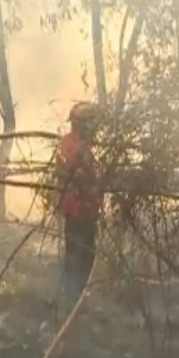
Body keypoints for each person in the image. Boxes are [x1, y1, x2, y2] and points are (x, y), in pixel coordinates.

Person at [55, 102, 103, 299]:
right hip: (81, 210)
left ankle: (73, 294)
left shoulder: (65, 142)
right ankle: (77, 297)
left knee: (73, 251)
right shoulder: (80, 149)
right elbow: (85, 179)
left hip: (71, 209)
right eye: (92, 125)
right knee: (83, 253)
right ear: (85, 125)